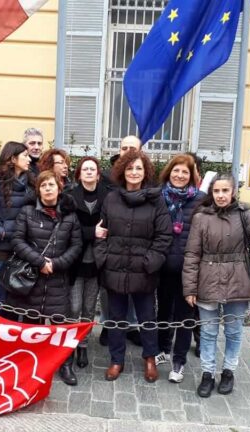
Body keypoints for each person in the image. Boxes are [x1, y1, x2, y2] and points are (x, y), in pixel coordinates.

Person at [182, 173, 250, 398]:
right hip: (207, 281)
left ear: (233, 192)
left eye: (225, 191)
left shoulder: (245, 214)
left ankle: (229, 371)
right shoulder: (201, 217)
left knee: (233, 331)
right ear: (211, 193)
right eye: (216, 191)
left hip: (238, 281)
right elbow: (192, 253)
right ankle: (207, 373)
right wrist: (190, 288)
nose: (220, 195)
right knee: (208, 332)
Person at [94, 151, 172, 383]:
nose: (134, 172)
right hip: (115, 268)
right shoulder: (111, 198)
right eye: (129, 168)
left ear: (145, 171)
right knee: (116, 317)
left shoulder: (156, 200)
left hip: (144, 270)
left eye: (138, 168)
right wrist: (104, 258)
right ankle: (116, 360)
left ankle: (150, 358)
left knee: (147, 317)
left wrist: (150, 262)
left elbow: (164, 236)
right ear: (122, 172)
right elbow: (102, 232)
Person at [9, 170, 82, 385]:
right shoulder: (27, 212)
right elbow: (17, 241)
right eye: (43, 185)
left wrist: (56, 264)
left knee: (62, 325)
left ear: (59, 188)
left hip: (58, 279)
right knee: (32, 325)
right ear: (38, 190)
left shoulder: (70, 215)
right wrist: (40, 262)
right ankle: (33, 363)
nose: (48, 189)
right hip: (33, 278)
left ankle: (65, 365)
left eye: (51, 184)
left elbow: (76, 245)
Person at [154, 154, 204, 384]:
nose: (180, 175)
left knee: (186, 315)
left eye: (185, 172)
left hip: (189, 268)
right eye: (176, 171)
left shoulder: (202, 200)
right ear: (169, 172)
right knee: (163, 310)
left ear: (192, 176)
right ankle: (163, 348)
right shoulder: (158, 196)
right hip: (163, 266)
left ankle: (179, 361)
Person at [0, 142, 36, 311]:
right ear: (12, 158)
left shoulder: (32, 184)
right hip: (1, 251)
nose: (29, 159)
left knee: (22, 301)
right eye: (25, 155)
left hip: (25, 250)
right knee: (2, 299)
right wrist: (0, 232)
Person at [98, 134, 145, 347]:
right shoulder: (106, 177)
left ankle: (132, 327)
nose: (127, 152)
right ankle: (109, 326)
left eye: (132, 148)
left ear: (140, 151)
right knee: (110, 291)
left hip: (137, 243)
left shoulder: (146, 177)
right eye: (124, 148)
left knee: (135, 288)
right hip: (112, 240)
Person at [67, 156, 108, 369]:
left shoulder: (108, 197)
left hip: (96, 262)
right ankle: (70, 346)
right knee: (73, 307)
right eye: (85, 169)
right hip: (75, 261)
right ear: (79, 174)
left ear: (98, 175)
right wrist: (92, 232)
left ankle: (82, 346)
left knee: (89, 308)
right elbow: (67, 230)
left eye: (93, 169)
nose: (89, 172)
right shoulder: (69, 197)